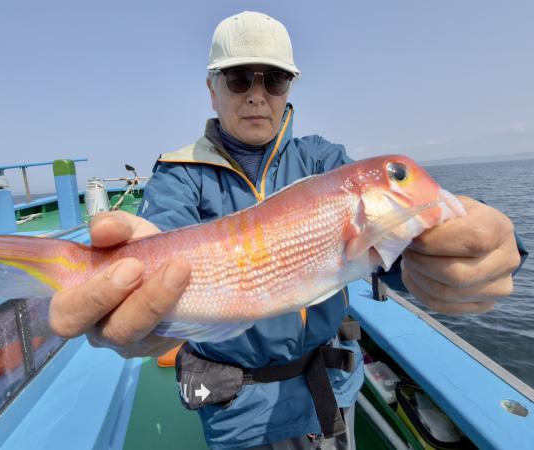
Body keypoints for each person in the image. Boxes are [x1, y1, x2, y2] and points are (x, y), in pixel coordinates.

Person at [48, 11, 526, 450]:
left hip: (329, 393)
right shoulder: (179, 175)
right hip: (237, 413)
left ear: (289, 87)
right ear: (212, 89)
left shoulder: (324, 161)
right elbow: (160, 238)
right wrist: (131, 294)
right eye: (238, 79)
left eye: (274, 79)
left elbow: (400, 253)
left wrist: (473, 249)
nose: (257, 95)